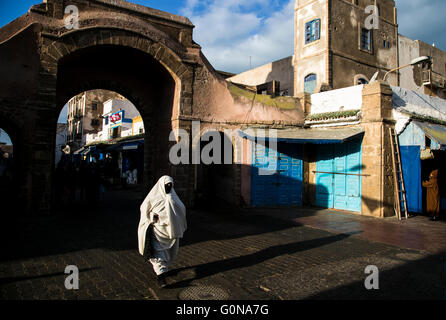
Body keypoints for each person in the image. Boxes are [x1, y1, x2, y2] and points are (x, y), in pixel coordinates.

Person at [138, 176, 187, 288]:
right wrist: (152, 216)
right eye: (166, 185)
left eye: (170, 185)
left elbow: (181, 210)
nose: (168, 187)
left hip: (169, 232)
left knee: (167, 253)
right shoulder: (153, 197)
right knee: (157, 254)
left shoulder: (173, 198)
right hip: (157, 231)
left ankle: (163, 269)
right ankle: (161, 277)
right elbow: (144, 209)